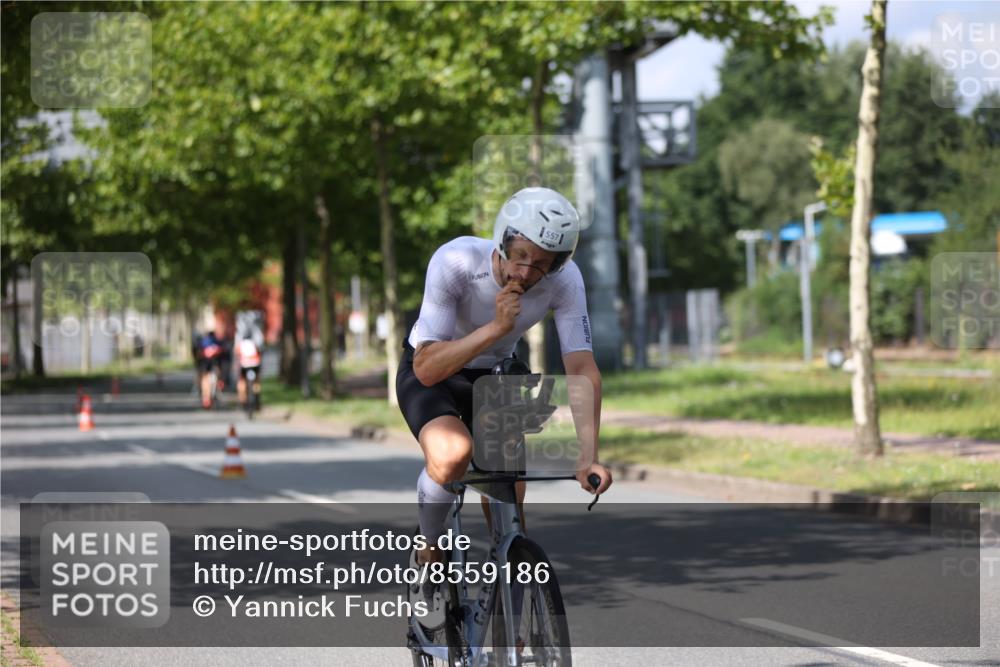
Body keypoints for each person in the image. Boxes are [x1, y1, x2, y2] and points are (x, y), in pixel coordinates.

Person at [396, 186, 612, 565]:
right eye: (520, 255)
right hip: (436, 369)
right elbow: (426, 368)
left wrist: (588, 455)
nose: (527, 273)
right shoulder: (457, 261)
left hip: (496, 375)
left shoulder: (565, 281)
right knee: (453, 455)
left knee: (507, 493)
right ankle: (428, 551)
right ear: (502, 238)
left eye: (543, 263)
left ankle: (507, 587)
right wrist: (495, 329)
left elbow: (581, 368)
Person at [235, 311, 265, 409]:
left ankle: (242, 401)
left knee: (242, 380)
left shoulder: (239, 334)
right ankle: (256, 399)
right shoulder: (257, 333)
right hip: (255, 363)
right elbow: (261, 348)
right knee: (256, 380)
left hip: (244, 363)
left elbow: (236, 350)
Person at [194, 330, 223, 408]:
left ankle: (205, 397)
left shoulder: (204, 342)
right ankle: (212, 393)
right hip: (214, 363)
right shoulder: (217, 342)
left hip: (205, 363)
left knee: (205, 378)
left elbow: (198, 354)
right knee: (216, 375)